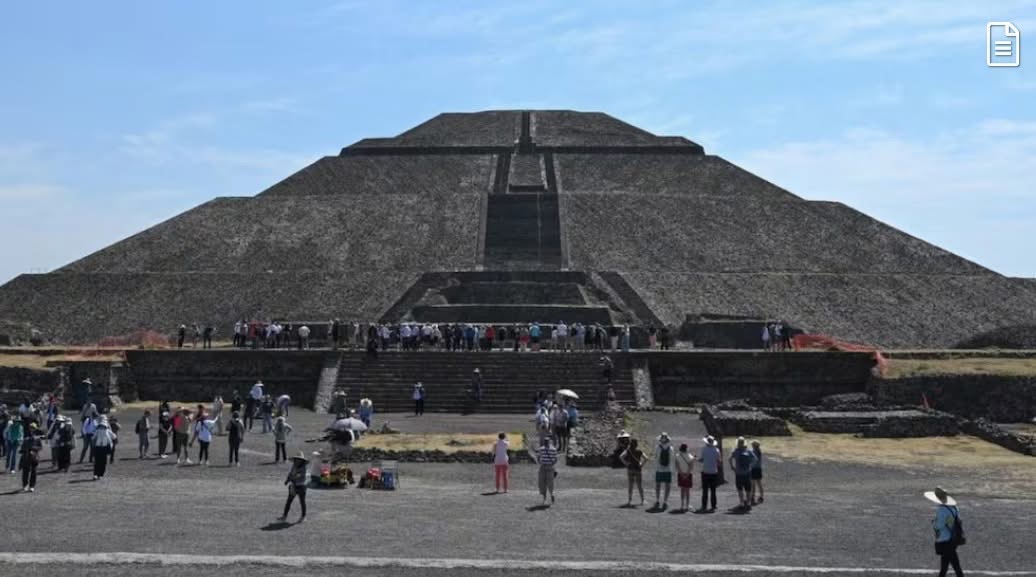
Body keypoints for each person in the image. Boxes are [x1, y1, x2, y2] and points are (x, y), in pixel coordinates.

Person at [927, 487, 965, 577]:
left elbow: (939, 526)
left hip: (945, 541)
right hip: (953, 539)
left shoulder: (942, 510)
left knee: (952, 566)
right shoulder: (954, 508)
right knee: (947, 566)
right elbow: (955, 521)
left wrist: (933, 523)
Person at [279, 452, 309, 522]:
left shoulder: (303, 468)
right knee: (289, 501)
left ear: (302, 460)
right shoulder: (294, 465)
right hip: (294, 485)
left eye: (299, 459)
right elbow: (291, 473)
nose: (298, 460)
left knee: (302, 502)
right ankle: (284, 516)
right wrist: (287, 480)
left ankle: (303, 516)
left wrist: (292, 479)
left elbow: (298, 476)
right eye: (297, 459)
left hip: (301, 486)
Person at [729, 436, 758, 510]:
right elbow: (755, 459)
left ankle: (741, 503)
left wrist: (732, 467)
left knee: (740, 489)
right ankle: (748, 503)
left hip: (738, 473)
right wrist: (751, 466)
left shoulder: (736, 451)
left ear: (738, 443)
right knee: (748, 489)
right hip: (747, 473)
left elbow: (730, 458)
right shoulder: (748, 451)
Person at [620, 438, 646, 507]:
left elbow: (621, 457)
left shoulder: (628, 451)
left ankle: (629, 500)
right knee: (639, 485)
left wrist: (626, 463)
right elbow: (646, 458)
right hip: (638, 469)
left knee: (630, 485)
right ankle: (642, 500)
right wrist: (641, 464)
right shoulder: (639, 451)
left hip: (630, 469)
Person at [698, 435, 721, 512]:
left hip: (705, 472)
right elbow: (719, 462)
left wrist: (697, 459)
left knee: (705, 490)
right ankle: (713, 505)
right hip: (714, 472)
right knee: (713, 490)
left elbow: (701, 460)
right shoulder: (717, 450)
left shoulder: (704, 449)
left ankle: (704, 506)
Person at [19, 423, 42, 492]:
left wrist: (33, 449)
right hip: (26, 457)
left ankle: (32, 486)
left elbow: (40, 447)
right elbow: (22, 448)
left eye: (33, 428)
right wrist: (24, 451)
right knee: (25, 472)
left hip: (34, 457)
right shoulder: (26, 439)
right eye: (31, 428)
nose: (32, 430)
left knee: (33, 472)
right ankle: (25, 485)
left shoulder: (38, 439)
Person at [654, 433, 674, 511]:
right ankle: (665, 501)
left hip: (659, 469)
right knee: (667, 486)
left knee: (658, 485)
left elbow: (655, 457)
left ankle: (657, 500)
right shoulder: (671, 448)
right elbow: (672, 459)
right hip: (668, 469)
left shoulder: (657, 447)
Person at [536, 437, 558, 506]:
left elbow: (555, 459)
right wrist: (540, 462)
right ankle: (544, 498)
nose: (546, 442)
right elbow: (538, 457)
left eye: (547, 441)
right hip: (544, 467)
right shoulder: (542, 449)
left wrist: (551, 464)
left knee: (550, 483)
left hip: (549, 467)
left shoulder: (552, 449)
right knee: (542, 483)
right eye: (545, 441)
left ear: (549, 442)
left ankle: (551, 494)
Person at [675, 443, 695, 512]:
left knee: (682, 490)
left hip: (680, 474)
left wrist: (681, 474)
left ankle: (682, 505)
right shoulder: (691, 456)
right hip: (688, 475)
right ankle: (687, 505)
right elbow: (691, 467)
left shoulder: (677, 456)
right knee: (687, 491)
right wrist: (686, 475)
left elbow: (677, 466)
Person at [750, 440, 764, 505]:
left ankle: (752, 496)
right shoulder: (759, 451)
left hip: (753, 469)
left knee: (753, 484)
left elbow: (753, 460)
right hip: (758, 469)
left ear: (754, 446)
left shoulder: (753, 452)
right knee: (759, 483)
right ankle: (761, 495)